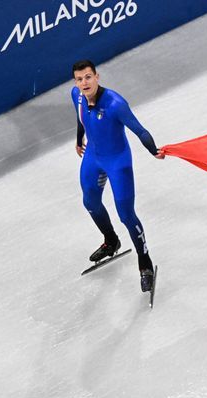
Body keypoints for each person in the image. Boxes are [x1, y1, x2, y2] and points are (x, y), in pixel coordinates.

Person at [71, 59, 163, 291]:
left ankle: (145, 262)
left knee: (126, 214)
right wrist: (79, 136)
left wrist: (154, 150)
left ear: (97, 77)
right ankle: (111, 240)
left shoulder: (115, 103)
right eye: (80, 79)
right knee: (89, 201)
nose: (84, 83)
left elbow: (139, 130)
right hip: (93, 156)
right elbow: (81, 117)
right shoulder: (76, 95)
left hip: (117, 162)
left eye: (88, 77)